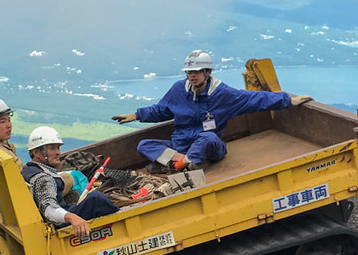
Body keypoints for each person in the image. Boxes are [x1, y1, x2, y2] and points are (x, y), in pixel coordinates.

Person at [112, 50, 312, 172]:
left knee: (208, 138)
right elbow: (162, 110)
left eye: (197, 72)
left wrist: (289, 100)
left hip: (211, 147)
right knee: (144, 145)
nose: (193, 76)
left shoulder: (224, 94)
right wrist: (137, 115)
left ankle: (182, 164)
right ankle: (183, 162)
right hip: (181, 145)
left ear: (208, 72)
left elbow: (255, 99)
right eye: (189, 72)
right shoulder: (178, 90)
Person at [22, 126, 118, 239]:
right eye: (52, 148)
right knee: (96, 199)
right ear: (37, 152)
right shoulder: (42, 178)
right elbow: (48, 210)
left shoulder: (28, 170)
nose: (58, 152)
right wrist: (72, 217)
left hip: (60, 217)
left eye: (58, 148)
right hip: (59, 225)